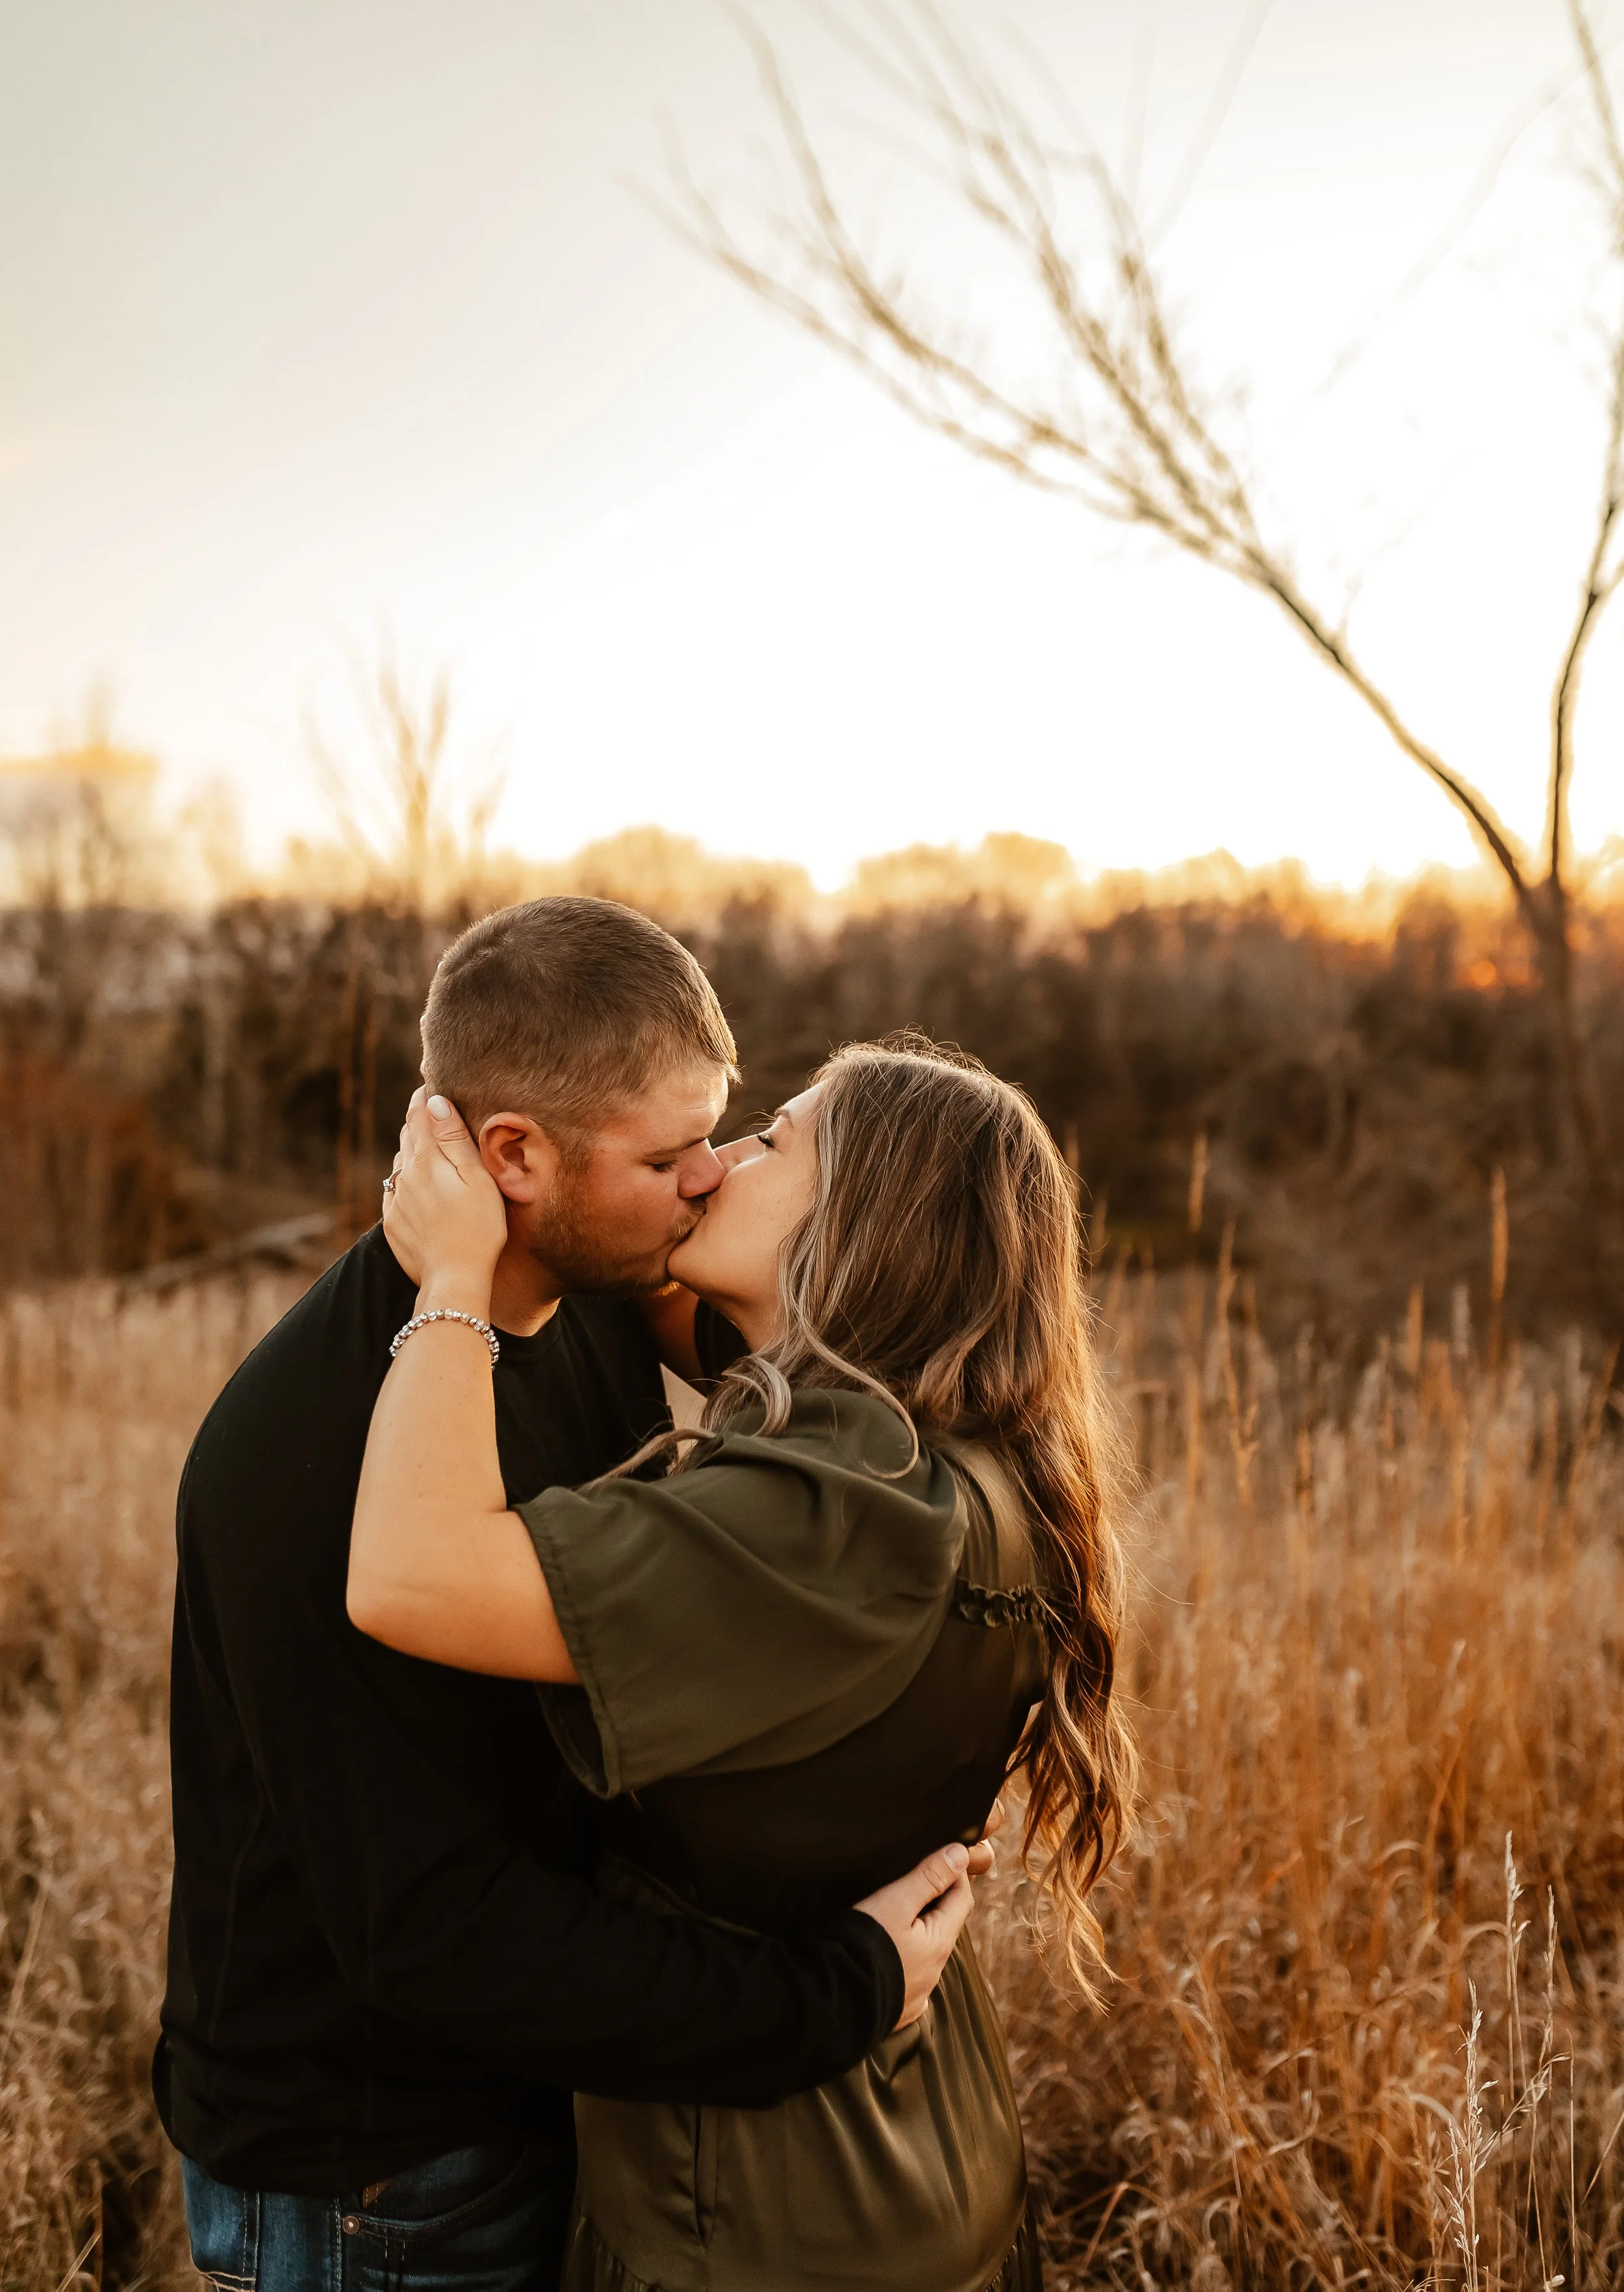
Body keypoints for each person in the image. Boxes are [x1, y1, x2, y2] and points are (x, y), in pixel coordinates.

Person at [159, 897, 988, 2292]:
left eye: (719, 1135)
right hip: (377, 2177)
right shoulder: (303, 1454)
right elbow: (435, 1930)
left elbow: (839, 1361)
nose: (707, 1181)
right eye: (666, 1158)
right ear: (512, 1158)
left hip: (541, 2099)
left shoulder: (600, 1297)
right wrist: (828, 1996)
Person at [348, 1035, 1139, 2292]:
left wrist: (453, 1276)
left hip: (757, 2220)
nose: (716, 1164)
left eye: (771, 1140)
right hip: (911, 2160)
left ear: (861, 1229)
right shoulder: (954, 1457)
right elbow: (738, 1346)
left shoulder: (839, 1523)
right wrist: (593, 1201)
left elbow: (410, 1572)